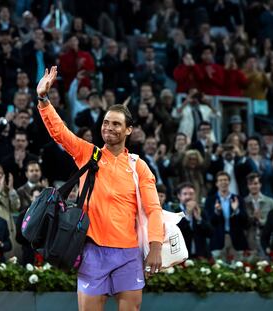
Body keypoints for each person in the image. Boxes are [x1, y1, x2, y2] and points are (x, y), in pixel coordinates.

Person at [36, 66, 163, 310]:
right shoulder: (88, 154)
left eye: (116, 124)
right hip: (92, 251)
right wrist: (43, 100)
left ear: (128, 130)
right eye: (106, 123)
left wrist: (156, 247)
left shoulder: (139, 166)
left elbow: (154, 209)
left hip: (128, 254)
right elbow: (60, 133)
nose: (109, 128)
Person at [176, 182, 213, 258]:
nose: (188, 197)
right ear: (179, 196)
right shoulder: (174, 211)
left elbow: (210, 232)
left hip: (201, 254)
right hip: (182, 255)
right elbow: (176, 233)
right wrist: (187, 215)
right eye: (185, 194)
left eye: (191, 194)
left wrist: (199, 219)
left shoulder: (201, 210)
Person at [244, 173, 273, 256]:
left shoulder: (270, 202)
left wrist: (260, 220)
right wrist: (253, 218)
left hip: (267, 241)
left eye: (255, 183)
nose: (253, 186)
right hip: (250, 241)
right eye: (250, 184)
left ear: (260, 185)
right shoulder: (243, 202)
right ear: (247, 186)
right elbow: (243, 224)